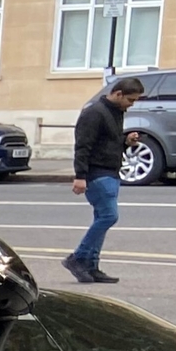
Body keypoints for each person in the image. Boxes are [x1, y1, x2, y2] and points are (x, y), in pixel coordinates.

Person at [66, 76, 144, 285]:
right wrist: (80, 176)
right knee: (109, 216)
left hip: (110, 172)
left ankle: (91, 266)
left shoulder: (115, 112)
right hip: (96, 173)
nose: (131, 105)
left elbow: (108, 142)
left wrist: (126, 141)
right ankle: (78, 258)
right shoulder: (94, 113)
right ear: (118, 94)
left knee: (102, 217)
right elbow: (83, 145)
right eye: (130, 100)